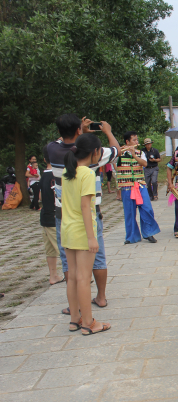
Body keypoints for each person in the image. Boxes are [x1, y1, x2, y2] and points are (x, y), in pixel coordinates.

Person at [47, 115, 119, 315]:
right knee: (97, 259)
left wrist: (81, 132)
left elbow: (66, 144)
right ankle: (99, 299)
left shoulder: (52, 150)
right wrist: (107, 131)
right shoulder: (89, 166)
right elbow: (116, 150)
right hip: (88, 218)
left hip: (63, 216)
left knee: (69, 265)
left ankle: (75, 307)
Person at [61, 133, 111, 335]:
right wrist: (92, 237)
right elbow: (85, 207)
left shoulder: (69, 171)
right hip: (83, 231)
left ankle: (75, 319)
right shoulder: (88, 174)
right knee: (83, 278)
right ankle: (89, 323)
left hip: (68, 230)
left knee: (73, 277)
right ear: (95, 152)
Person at [117, 131, 160, 244]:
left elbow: (145, 164)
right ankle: (132, 236)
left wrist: (134, 155)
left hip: (140, 185)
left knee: (147, 208)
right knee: (129, 212)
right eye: (134, 140)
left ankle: (149, 233)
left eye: (137, 140)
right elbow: (114, 166)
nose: (137, 142)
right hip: (126, 187)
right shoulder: (119, 153)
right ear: (127, 142)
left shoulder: (140, 153)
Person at [39, 148, 63, 285]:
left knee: (50, 250)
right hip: (55, 217)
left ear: (44, 160)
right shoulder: (56, 177)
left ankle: (53, 275)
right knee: (63, 249)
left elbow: (40, 197)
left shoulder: (43, 176)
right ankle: (74, 275)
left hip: (45, 217)